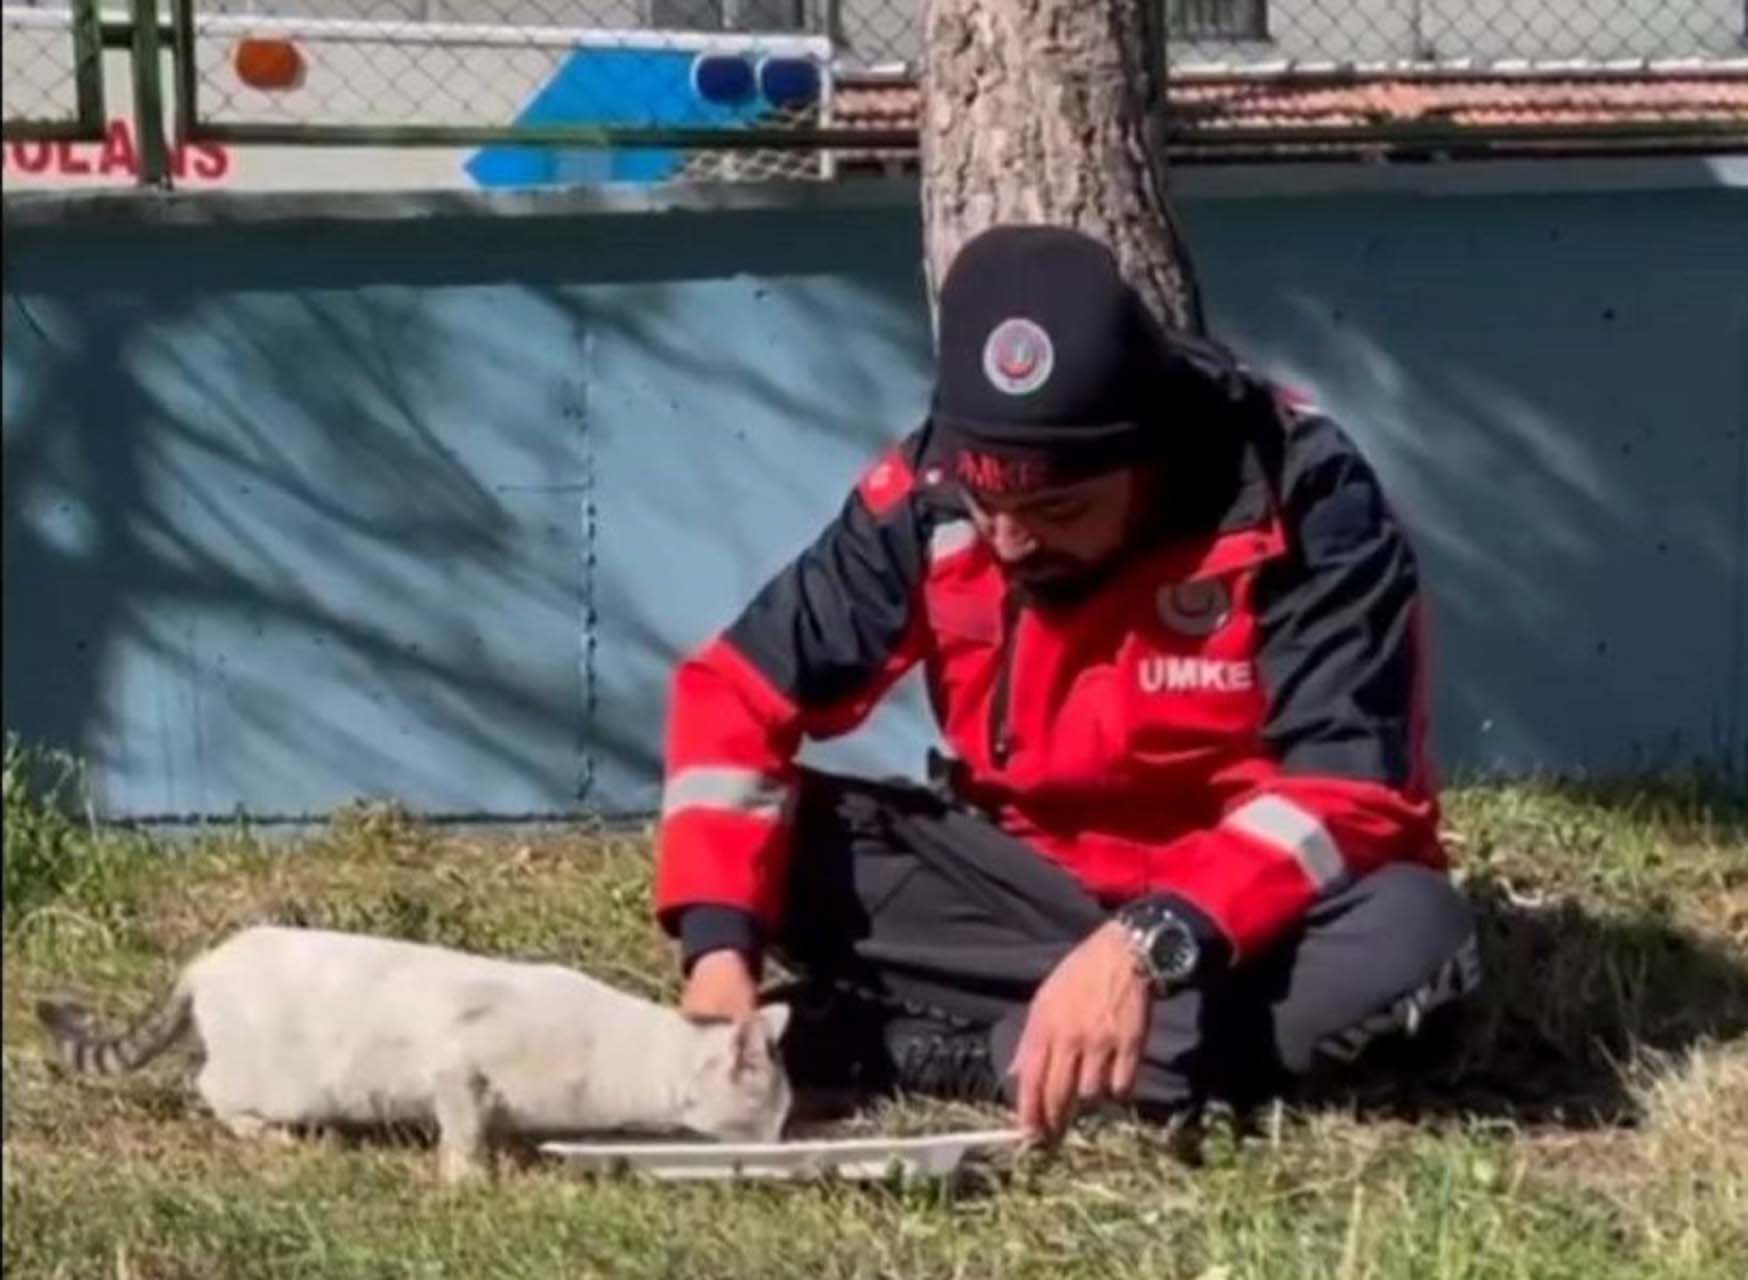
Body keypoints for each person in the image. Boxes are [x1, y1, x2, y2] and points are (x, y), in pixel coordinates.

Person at [654, 224, 1478, 1142]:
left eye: (1057, 508)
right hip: (1024, 885)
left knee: (1411, 939)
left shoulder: (1307, 496)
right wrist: (718, 954)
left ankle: (956, 1050)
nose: (1010, 541)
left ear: (1145, 453)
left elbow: (1351, 792)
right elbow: (735, 691)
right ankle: (1094, 1034)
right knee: (781, 838)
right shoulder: (927, 492)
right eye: (986, 505)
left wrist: (1148, 944)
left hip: (1240, 918)